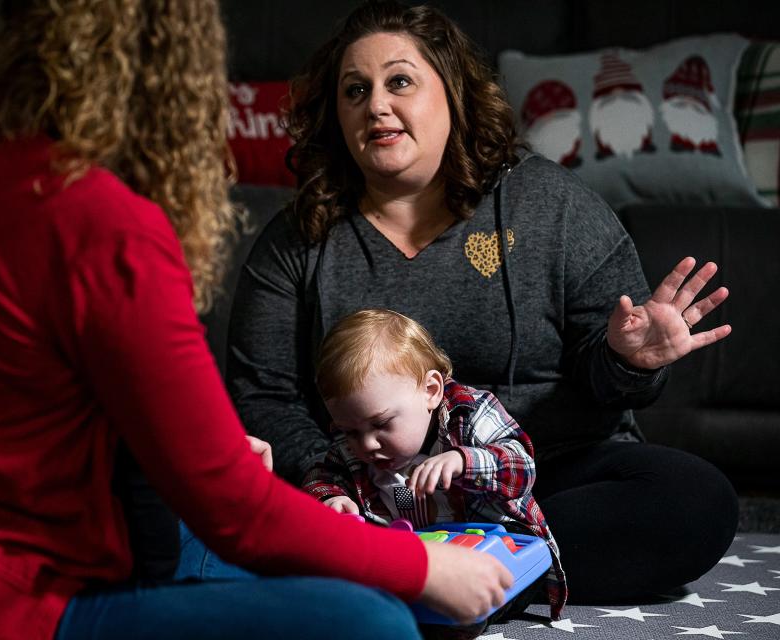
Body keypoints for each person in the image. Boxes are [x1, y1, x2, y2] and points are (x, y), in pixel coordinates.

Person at [0, 1, 517, 639]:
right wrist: (421, 568)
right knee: (369, 621)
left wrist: (185, 450)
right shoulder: (105, 223)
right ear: (174, 66)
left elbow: (3, 392)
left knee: (246, 550)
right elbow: (239, 513)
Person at [226, 0, 738, 604]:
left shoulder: (551, 204)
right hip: (372, 488)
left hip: (541, 479)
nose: (376, 106)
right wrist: (335, 489)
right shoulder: (298, 239)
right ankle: (435, 565)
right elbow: (263, 396)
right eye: (355, 91)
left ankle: (405, 569)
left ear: (454, 93)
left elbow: (609, 387)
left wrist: (629, 360)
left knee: (694, 500)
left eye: (400, 82)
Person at [305, 308, 566, 620]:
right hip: (409, 564)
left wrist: (464, 460)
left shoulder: (472, 417)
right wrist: (331, 497)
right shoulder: (354, 445)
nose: (367, 444)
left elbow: (522, 469)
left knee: (457, 613)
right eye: (350, 431)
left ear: (430, 391)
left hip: (495, 556)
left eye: (382, 424)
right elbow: (320, 475)